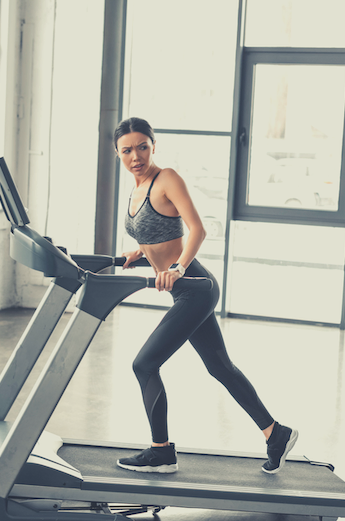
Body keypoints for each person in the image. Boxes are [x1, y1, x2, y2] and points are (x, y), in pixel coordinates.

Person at [113, 117, 297, 475]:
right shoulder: (135, 190)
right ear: (117, 152)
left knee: (144, 364)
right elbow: (155, 230)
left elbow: (197, 229)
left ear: (153, 145)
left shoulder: (166, 179)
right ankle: (276, 434)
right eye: (127, 150)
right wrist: (141, 252)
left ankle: (161, 451)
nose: (135, 155)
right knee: (220, 367)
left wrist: (178, 267)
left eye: (142, 146)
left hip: (194, 286)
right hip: (186, 289)